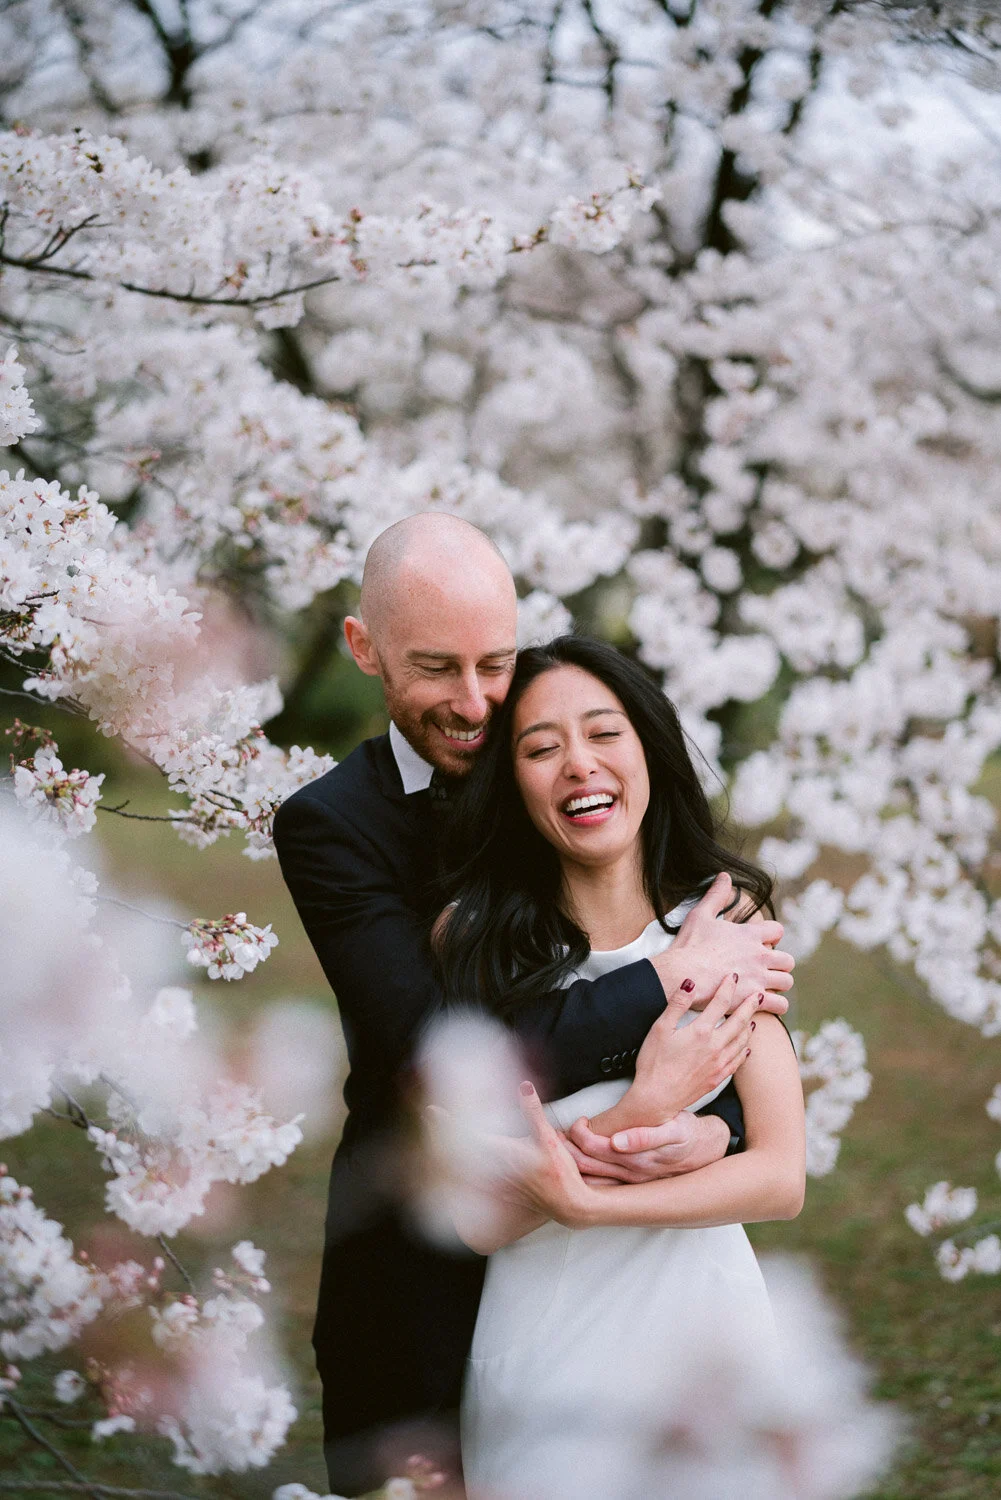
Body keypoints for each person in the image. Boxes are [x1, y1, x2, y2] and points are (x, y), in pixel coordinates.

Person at [272, 514, 795, 1495]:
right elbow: (441, 1054)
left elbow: (698, 997)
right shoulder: (329, 828)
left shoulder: (557, 770)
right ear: (363, 650)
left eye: (494, 663)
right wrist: (670, 983)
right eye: (436, 668)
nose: (475, 703)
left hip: (626, 1283)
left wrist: (714, 1120)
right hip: (424, 1264)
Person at [433, 634, 806, 1500]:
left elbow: (780, 1176)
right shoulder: (472, 940)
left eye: (603, 733)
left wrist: (584, 1205)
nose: (578, 766)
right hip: (546, 1347)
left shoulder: (722, 916)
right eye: (539, 747)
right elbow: (477, 1218)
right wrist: (646, 1106)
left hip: (708, 1335)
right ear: (510, 781)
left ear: (647, 747)